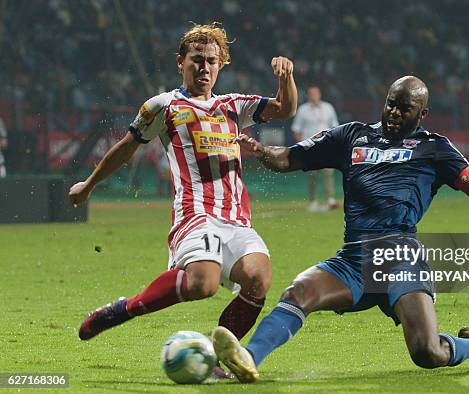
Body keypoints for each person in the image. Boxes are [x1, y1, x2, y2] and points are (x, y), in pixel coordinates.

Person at [210, 76, 469, 383]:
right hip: (353, 259)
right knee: (297, 293)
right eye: (390, 104)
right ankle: (247, 359)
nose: (395, 113)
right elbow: (289, 158)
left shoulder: (436, 149)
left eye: (405, 108)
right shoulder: (351, 136)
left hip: (400, 257)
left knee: (428, 353)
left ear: (423, 113)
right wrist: (261, 151)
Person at [68, 23, 297, 376]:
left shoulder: (234, 106)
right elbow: (126, 149)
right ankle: (123, 309)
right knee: (202, 284)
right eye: (197, 60)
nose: (204, 68)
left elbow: (284, 108)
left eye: (212, 62)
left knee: (258, 279)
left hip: (237, 219)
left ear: (221, 66)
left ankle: (223, 358)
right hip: (195, 215)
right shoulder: (164, 105)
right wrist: (89, 184)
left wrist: (286, 76)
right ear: (181, 62)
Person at [291, 85, 339, 211]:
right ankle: (313, 201)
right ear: (308, 95)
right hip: (310, 146)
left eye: (316, 93)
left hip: (326, 145)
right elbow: (297, 129)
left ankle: (330, 199)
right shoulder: (303, 110)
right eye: (311, 94)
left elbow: (335, 126)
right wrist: (300, 147)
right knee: (312, 174)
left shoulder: (328, 108)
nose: (314, 96)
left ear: (319, 94)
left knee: (328, 172)